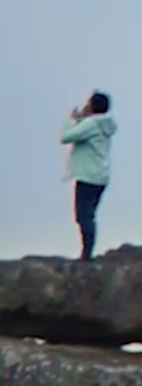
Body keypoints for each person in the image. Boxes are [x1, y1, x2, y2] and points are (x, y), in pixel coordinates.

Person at [62, 91, 116, 260]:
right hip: (100, 175)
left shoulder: (91, 124)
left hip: (87, 176)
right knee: (88, 215)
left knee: (83, 216)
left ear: (92, 106)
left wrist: (73, 119)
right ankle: (87, 252)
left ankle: (86, 254)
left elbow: (66, 137)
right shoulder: (105, 124)